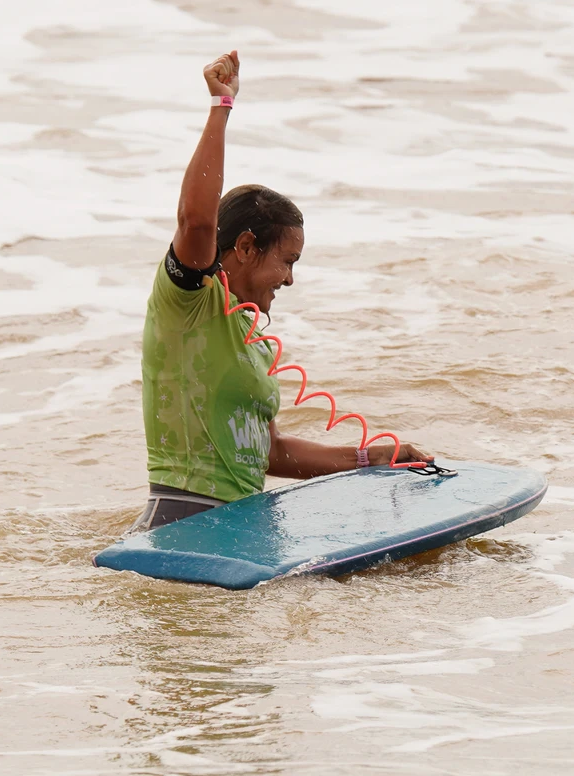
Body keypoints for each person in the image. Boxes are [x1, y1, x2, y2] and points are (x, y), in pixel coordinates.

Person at [130, 50, 433, 533]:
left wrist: (372, 458)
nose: (290, 279)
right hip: (182, 526)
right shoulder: (187, 301)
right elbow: (197, 220)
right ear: (247, 247)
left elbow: (270, 452)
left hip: (241, 530)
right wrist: (221, 105)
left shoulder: (246, 337)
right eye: (287, 261)